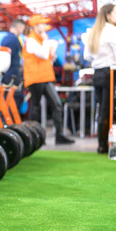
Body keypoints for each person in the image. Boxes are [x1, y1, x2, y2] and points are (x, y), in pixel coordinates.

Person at [23, 14, 74, 145]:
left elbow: (49, 57)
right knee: (35, 107)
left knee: (57, 104)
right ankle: (35, 138)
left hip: (46, 77)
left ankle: (59, 136)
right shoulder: (31, 40)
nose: (45, 26)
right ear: (35, 26)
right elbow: (44, 54)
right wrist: (46, 42)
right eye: (42, 24)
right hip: (35, 77)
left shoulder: (39, 40)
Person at [84, 4, 116, 154]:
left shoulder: (93, 32)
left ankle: (102, 144)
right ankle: (105, 145)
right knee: (108, 110)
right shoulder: (113, 32)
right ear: (108, 15)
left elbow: (86, 56)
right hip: (110, 73)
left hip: (97, 73)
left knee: (101, 108)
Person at [1, 19, 26, 111]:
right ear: (18, 27)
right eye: (22, 29)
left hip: (9, 74)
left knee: (10, 100)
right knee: (14, 100)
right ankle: (9, 123)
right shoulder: (13, 39)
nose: (22, 31)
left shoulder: (7, 38)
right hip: (12, 75)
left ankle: (7, 122)